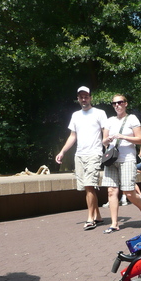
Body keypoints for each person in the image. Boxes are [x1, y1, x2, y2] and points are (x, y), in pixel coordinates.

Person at [55, 86, 107, 230]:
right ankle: (98, 216)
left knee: (89, 185)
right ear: (78, 99)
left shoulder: (99, 113)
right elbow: (73, 136)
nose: (84, 99)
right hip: (79, 155)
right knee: (87, 187)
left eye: (86, 96)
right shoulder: (75, 115)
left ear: (90, 98)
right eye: (81, 97)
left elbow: (105, 133)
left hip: (94, 153)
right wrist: (62, 152)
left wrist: (108, 148)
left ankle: (90, 219)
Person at [101, 94, 141, 233]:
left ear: (125, 103)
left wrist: (122, 136)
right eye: (114, 103)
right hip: (111, 159)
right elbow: (103, 141)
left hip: (127, 159)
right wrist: (108, 140)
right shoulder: (109, 121)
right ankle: (114, 224)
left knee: (129, 192)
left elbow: (140, 139)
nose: (117, 105)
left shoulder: (132, 119)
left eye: (120, 102)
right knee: (111, 191)